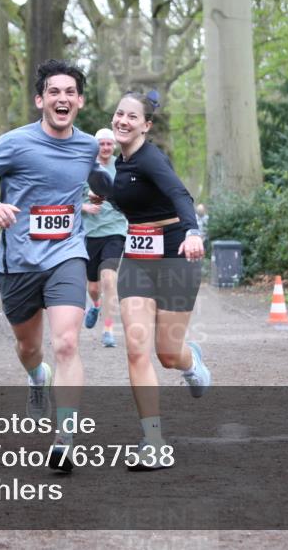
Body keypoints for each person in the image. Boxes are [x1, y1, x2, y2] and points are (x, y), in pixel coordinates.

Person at [0, 59, 105, 472]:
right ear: (40, 99)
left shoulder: (89, 146)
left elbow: (100, 179)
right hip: (19, 262)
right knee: (30, 347)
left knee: (67, 343)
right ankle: (37, 376)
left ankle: (66, 437)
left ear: (79, 101)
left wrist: (100, 197)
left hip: (68, 255)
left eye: (70, 92)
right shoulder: (15, 143)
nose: (62, 98)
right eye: (54, 92)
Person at [90, 90, 211, 471]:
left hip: (176, 254)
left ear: (146, 125)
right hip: (138, 260)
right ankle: (153, 439)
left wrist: (193, 232)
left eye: (131, 117)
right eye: (118, 114)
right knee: (137, 349)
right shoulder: (121, 166)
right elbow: (125, 193)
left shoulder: (151, 158)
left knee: (167, 354)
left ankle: (191, 363)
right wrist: (99, 198)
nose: (122, 121)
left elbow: (178, 192)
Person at [81, 128, 127, 348]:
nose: (106, 148)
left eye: (110, 144)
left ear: (114, 146)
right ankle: (96, 305)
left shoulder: (121, 167)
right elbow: (68, 199)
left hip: (116, 230)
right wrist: (85, 206)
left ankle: (108, 329)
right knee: (93, 286)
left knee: (109, 279)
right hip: (90, 233)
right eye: (102, 144)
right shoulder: (85, 168)